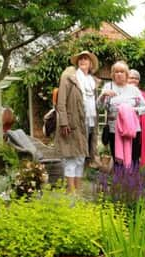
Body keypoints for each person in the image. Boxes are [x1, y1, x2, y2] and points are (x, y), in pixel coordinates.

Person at [55, 50, 99, 194]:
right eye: (81, 58)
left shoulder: (93, 82)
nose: (83, 60)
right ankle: (70, 190)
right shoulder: (69, 78)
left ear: (91, 63)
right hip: (72, 123)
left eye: (86, 58)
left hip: (89, 123)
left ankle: (78, 189)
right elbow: (60, 101)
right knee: (71, 157)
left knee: (81, 157)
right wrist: (63, 122)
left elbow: (94, 103)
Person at [98, 61, 145, 168]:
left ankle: (133, 183)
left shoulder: (134, 90)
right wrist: (103, 96)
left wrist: (130, 110)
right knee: (118, 160)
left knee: (133, 159)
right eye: (116, 72)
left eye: (122, 72)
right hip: (114, 129)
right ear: (112, 74)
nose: (119, 74)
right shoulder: (108, 86)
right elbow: (99, 107)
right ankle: (120, 184)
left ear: (126, 74)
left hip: (133, 129)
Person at [127, 69, 145, 166]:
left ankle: (134, 175)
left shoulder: (144, 95)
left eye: (136, 78)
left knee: (135, 153)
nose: (133, 80)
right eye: (131, 78)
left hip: (138, 127)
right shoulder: (122, 92)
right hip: (124, 126)